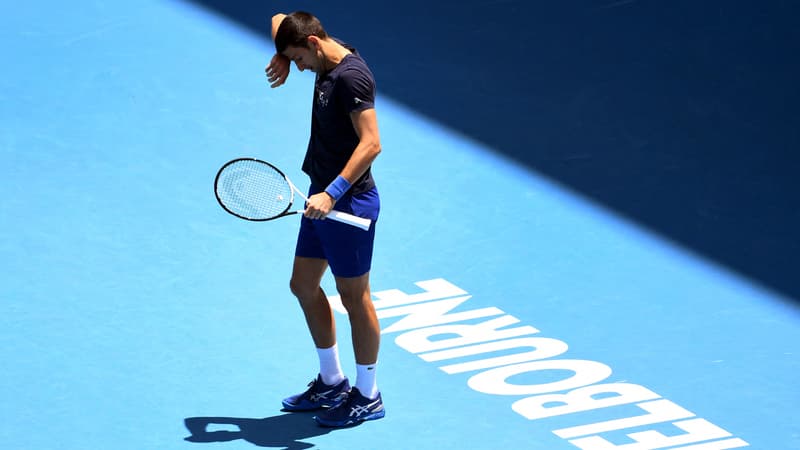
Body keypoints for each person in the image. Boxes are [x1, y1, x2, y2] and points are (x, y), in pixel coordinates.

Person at [264, 11, 384, 428]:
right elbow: (280, 16)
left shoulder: (351, 78)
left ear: (315, 44)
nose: (297, 69)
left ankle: (367, 394)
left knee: (355, 298)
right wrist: (279, 52)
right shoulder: (321, 54)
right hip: (319, 198)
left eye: (298, 59)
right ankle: (332, 381)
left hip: (347, 205)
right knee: (303, 285)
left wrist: (332, 194)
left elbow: (372, 144)